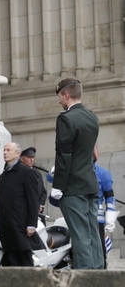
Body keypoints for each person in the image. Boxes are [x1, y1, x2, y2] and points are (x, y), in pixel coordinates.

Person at [50, 78, 103, 269]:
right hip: (90, 183)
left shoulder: (65, 118)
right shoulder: (92, 117)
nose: (59, 102)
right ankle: (99, 275)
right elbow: (89, 155)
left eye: (59, 97)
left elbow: (64, 155)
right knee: (92, 233)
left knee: (80, 234)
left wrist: (57, 186)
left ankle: (85, 277)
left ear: (66, 95)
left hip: (73, 187)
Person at [0, 142, 40, 267]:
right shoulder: (3, 176)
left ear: (17, 154)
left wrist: (32, 224)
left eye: (8, 150)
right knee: (12, 260)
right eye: (4, 150)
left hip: (21, 226)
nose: (5, 152)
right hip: (6, 227)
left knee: (24, 260)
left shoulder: (27, 173)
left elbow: (33, 200)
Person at [92, 146, 118, 269]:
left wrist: (110, 219)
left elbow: (110, 196)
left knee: (100, 250)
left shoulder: (103, 173)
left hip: (97, 218)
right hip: (79, 216)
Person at [20, 147, 47, 213]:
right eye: (29, 157)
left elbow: (43, 192)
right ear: (22, 159)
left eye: (33, 157)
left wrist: (40, 205)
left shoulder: (37, 173)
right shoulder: (19, 172)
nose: (31, 160)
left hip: (38, 210)